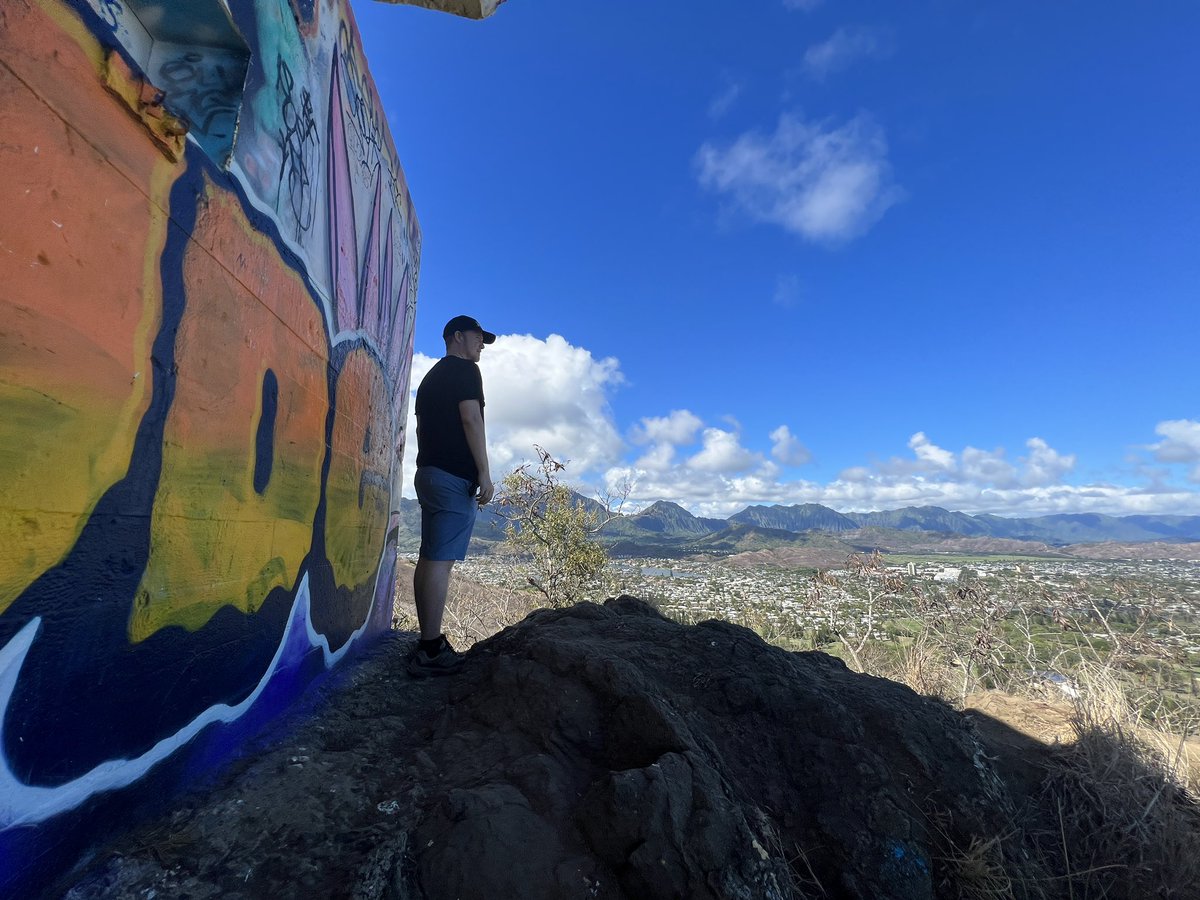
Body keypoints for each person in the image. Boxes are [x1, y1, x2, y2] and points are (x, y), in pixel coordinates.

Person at [408, 315, 496, 676]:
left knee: (428, 558)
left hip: (428, 474)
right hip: (450, 480)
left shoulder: (431, 376)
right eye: (478, 337)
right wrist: (485, 472)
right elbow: (471, 419)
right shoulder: (464, 371)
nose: (482, 344)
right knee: (440, 562)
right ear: (457, 336)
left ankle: (426, 642)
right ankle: (430, 649)